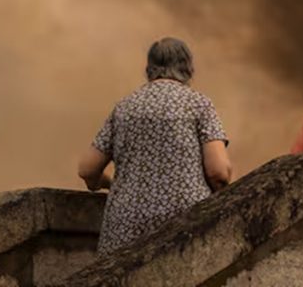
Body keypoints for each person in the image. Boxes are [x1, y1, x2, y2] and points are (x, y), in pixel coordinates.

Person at [76, 37, 232, 255]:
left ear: (149, 69)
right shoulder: (199, 104)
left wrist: (110, 184)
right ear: (188, 68)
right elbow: (219, 172)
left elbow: (87, 169)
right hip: (183, 227)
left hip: (125, 227)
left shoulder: (124, 107)